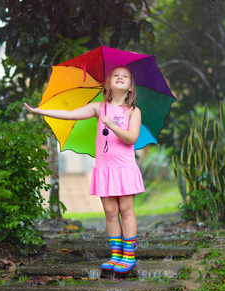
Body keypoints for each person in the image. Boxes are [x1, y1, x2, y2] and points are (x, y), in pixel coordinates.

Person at [24, 66, 144, 273]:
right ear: (108, 84)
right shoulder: (99, 108)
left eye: (126, 76)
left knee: (126, 210)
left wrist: (112, 126)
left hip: (124, 168)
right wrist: (40, 111)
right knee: (110, 212)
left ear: (131, 87)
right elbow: (70, 114)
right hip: (105, 168)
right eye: (116, 75)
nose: (121, 77)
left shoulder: (133, 111)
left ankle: (129, 256)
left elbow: (132, 138)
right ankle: (116, 255)